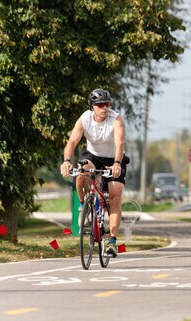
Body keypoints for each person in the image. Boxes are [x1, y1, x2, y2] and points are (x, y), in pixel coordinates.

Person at [60, 88, 128, 257]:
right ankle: (84, 206)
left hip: (114, 158)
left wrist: (117, 163)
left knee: (115, 194)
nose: (105, 107)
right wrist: (67, 161)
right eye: (100, 105)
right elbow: (72, 141)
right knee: (81, 172)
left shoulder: (116, 119)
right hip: (94, 156)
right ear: (92, 107)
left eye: (107, 104)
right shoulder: (85, 119)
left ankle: (112, 240)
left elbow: (120, 144)